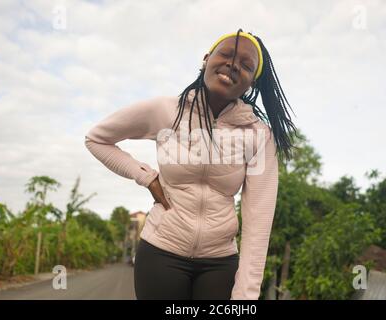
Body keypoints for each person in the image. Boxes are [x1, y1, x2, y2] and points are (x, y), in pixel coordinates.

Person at [84, 28, 298, 300]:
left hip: (220, 262)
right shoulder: (166, 111)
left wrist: (246, 295)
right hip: (162, 251)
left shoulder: (259, 136)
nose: (233, 65)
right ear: (207, 59)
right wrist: (146, 177)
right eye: (226, 55)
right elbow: (97, 139)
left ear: (252, 83)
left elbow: (258, 221)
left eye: (246, 65)